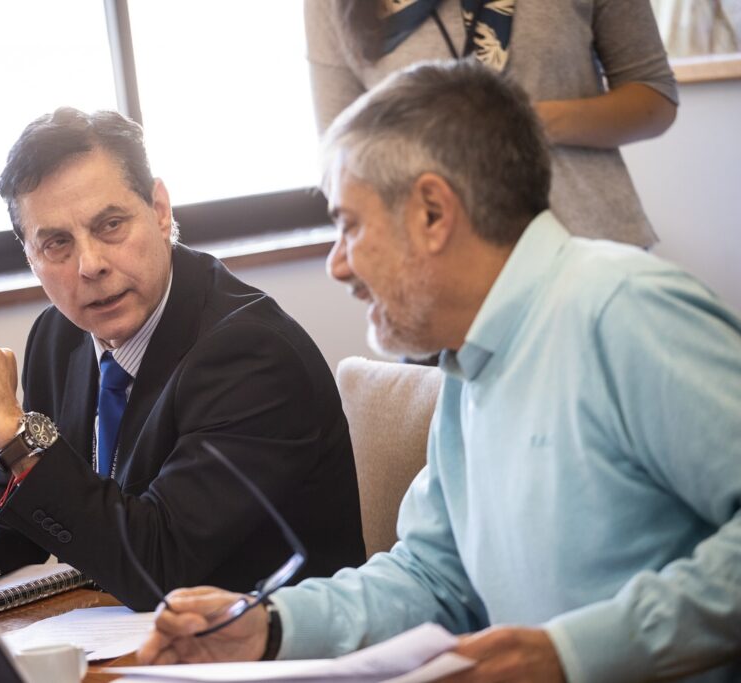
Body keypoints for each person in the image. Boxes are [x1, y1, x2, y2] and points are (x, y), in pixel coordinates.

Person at [139, 62, 741, 681]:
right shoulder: (468, 364)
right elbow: (434, 576)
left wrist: (575, 653)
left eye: (350, 225)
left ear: (432, 212)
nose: (337, 265)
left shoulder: (623, 309)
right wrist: (270, 626)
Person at [0, 108, 366, 610]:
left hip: (269, 640)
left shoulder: (251, 354)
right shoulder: (60, 336)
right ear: (29, 257)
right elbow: (38, 495)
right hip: (129, 636)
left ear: (159, 210)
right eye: (56, 243)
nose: (90, 265)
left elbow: (158, 562)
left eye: (111, 225)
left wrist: (12, 431)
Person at [305, 0, 679, 247]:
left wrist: (519, 121)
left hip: (586, 244)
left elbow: (654, 95)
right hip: (434, 268)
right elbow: (338, 158)